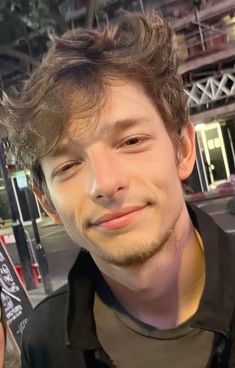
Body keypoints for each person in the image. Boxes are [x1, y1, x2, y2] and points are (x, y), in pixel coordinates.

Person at [1, 11, 234, 368]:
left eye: (131, 141)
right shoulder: (45, 342)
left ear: (183, 150)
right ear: (46, 201)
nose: (105, 183)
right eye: (68, 166)